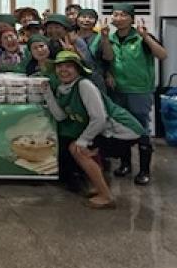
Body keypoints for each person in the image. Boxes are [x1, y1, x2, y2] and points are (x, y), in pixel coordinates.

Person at [42, 50, 145, 209]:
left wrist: (83, 141)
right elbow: (60, 116)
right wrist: (47, 93)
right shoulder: (63, 88)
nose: (63, 70)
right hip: (104, 130)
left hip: (122, 130)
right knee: (83, 148)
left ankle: (106, 196)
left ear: (78, 69)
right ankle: (98, 186)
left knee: (77, 149)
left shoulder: (84, 85)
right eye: (60, 66)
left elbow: (100, 118)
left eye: (69, 66)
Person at [107, 3, 167, 185]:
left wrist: (145, 36)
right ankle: (125, 164)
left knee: (141, 128)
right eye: (115, 14)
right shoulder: (109, 38)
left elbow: (162, 55)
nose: (118, 18)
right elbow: (106, 60)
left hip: (139, 90)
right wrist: (108, 73)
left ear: (131, 19)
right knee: (122, 127)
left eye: (123, 15)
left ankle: (144, 170)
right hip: (117, 90)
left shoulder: (141, 37)